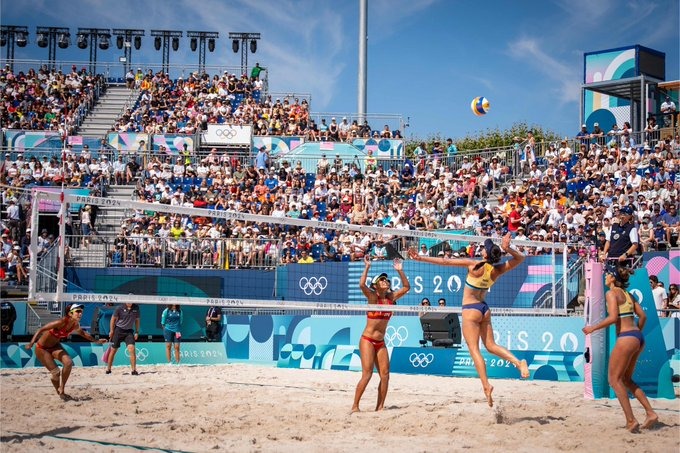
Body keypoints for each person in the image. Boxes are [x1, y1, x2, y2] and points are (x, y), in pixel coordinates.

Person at [408, 234, 529, 406]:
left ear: (486, 254)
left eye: (483, 248)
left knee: (474, 350)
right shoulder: (497, 269)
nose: (480, 249)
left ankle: (486, 386)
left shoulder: (473, 265)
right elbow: (521, 258)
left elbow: (445, 262)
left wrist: (420, 258)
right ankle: (518, 362)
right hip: (484, 309)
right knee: (491, 346)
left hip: (471, 310)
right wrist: (507, 247)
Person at [582, 266, 658, 432]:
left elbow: (613, 317)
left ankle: (631, 421)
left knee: (614, 380)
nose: (605, 276)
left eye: (608, 274)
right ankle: (650, 413)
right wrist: (636, 332)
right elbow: (643, 316)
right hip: (638, 337)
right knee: (626, 380)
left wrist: (592, 328)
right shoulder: (628, 295)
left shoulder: (611, 293)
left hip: (626, 338)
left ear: (613, 278)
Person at [352, 256, 410, 412]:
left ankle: (380, 407)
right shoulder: (373, 297)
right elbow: (361, 284)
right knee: (367, 374)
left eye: (386, 279)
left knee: (385, 375)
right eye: (382, 279)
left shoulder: (391, 298)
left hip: (380, 342)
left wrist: (400, 270)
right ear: (376, 285)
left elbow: (406, 287)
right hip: (368, 340)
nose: (386, 281)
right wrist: (367, 267)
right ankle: (355, 406)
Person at [26, 303, 106, 398]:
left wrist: (96, 341)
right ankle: (59, 392)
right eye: (77, 311)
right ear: (70, 313)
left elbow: (83, 334)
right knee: (56, 373)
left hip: (55, 346)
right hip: (42, 348)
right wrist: (31, 343)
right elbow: (40, 330)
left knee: (68, 363)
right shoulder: (60, 322)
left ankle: (62, 389)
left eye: (81, 312)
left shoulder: (75, 324)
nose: (80, 313)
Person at [106, 302, 141, 375]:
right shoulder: (119, 308)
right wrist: (112, 331)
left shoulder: (136, 308)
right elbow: (112, 319)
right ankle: (108, 369)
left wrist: (137, 332)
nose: (129, 302)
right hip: (118, 330)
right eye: (128, 300)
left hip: (129, 332)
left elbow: (137, 320)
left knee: (132, 349)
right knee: (113, 350)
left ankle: (134, 370)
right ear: (125, 300)